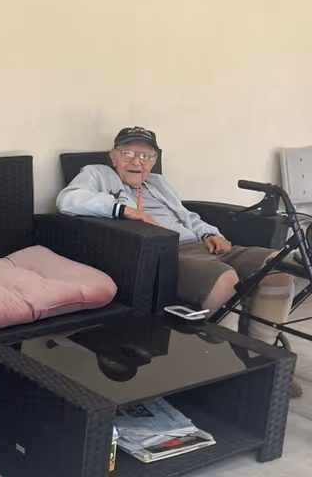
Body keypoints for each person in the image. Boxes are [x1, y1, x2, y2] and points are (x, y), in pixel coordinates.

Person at [57, 126, 301, 397]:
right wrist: (124, 209)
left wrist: (210, 233)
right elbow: (67, 200)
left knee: (278, 268)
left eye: (146, 156)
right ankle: (234, 364)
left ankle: (263, 356)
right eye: (129, 153)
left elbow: (186, 215)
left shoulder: (158, 183)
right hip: (168, 253)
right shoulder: (98, 174)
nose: (138, 161)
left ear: (154, 160)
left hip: (202, 246)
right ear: (113, 156)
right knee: (225, 279)